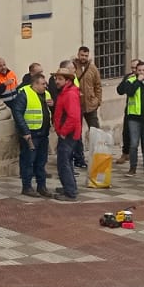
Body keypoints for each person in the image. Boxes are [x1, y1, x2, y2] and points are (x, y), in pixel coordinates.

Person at [117, 62, 144, 176]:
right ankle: (133, 168)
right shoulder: (131, 81)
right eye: (139, 70)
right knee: (134, 144)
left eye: (143, 70)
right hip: (134, 118)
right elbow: (128, 92)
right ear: (136, 71)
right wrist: (137, 81)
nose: (141, 72)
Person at [17, 68, 52, 197]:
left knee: (41, 162)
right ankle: (27, 187)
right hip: (30, 134)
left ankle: (41, 186)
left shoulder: (46, 94)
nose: (45, 86)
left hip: (43, 134)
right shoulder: (24, 94)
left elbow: (50, 111)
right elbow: (18, 113)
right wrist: (25, 132)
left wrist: (53, 105)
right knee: (28, 161)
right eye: (43, 84)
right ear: (35, 84)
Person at [51, 68, 83, 201]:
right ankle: (70, 187)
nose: (56, 81)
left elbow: (73, 117)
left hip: (68, 134)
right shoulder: (65, 92)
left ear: (67, 80)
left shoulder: (69, 94)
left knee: (63, 162)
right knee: (67, 161)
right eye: (56, 78)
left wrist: (63, 132)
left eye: (60, 79)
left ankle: (70, 192)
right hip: (67, 132)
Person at [73, 46, 103, 131]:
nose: (84, 57)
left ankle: (95, 144)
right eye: (82, 55)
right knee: (77, 130)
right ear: (78, 54)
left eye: (86, 55)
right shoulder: (73, 67)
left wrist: (98, 101)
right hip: (77, 104)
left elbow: (98, 86)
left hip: (91, 104)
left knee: (95, 130)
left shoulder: (93, 68)